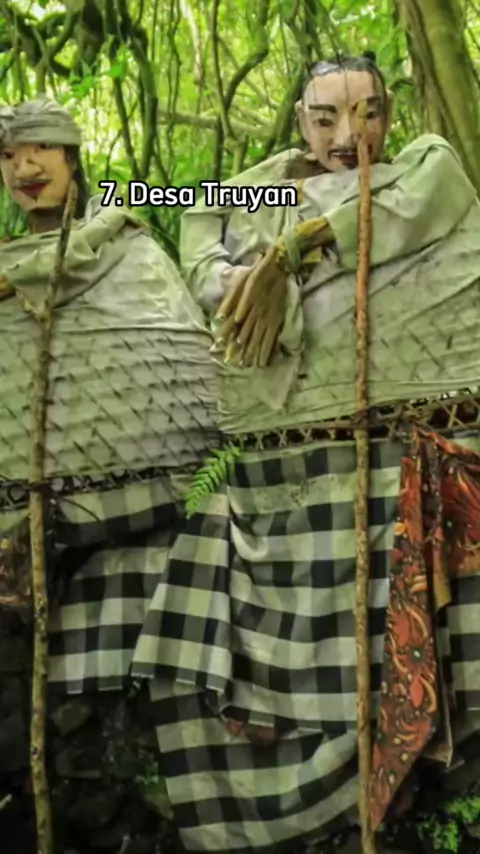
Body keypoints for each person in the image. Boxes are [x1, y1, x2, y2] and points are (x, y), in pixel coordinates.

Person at [134, 54, 480, 852]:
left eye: (366, 115)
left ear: (389, 114)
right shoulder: (249, 193)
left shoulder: (424, 167)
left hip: (396, 448)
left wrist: (296, 252)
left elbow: (423, 201)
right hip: (295, 483)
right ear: (300, 121)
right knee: (319, 660)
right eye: (326, 119)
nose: (348, 137)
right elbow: (199, 250)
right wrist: (248, 280)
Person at [0, 98, 218, 784]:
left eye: (40, 149)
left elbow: (171, 355)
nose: (25, 168)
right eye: (9, 155)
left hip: (132, 498)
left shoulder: (125, 244)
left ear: (71, 156)